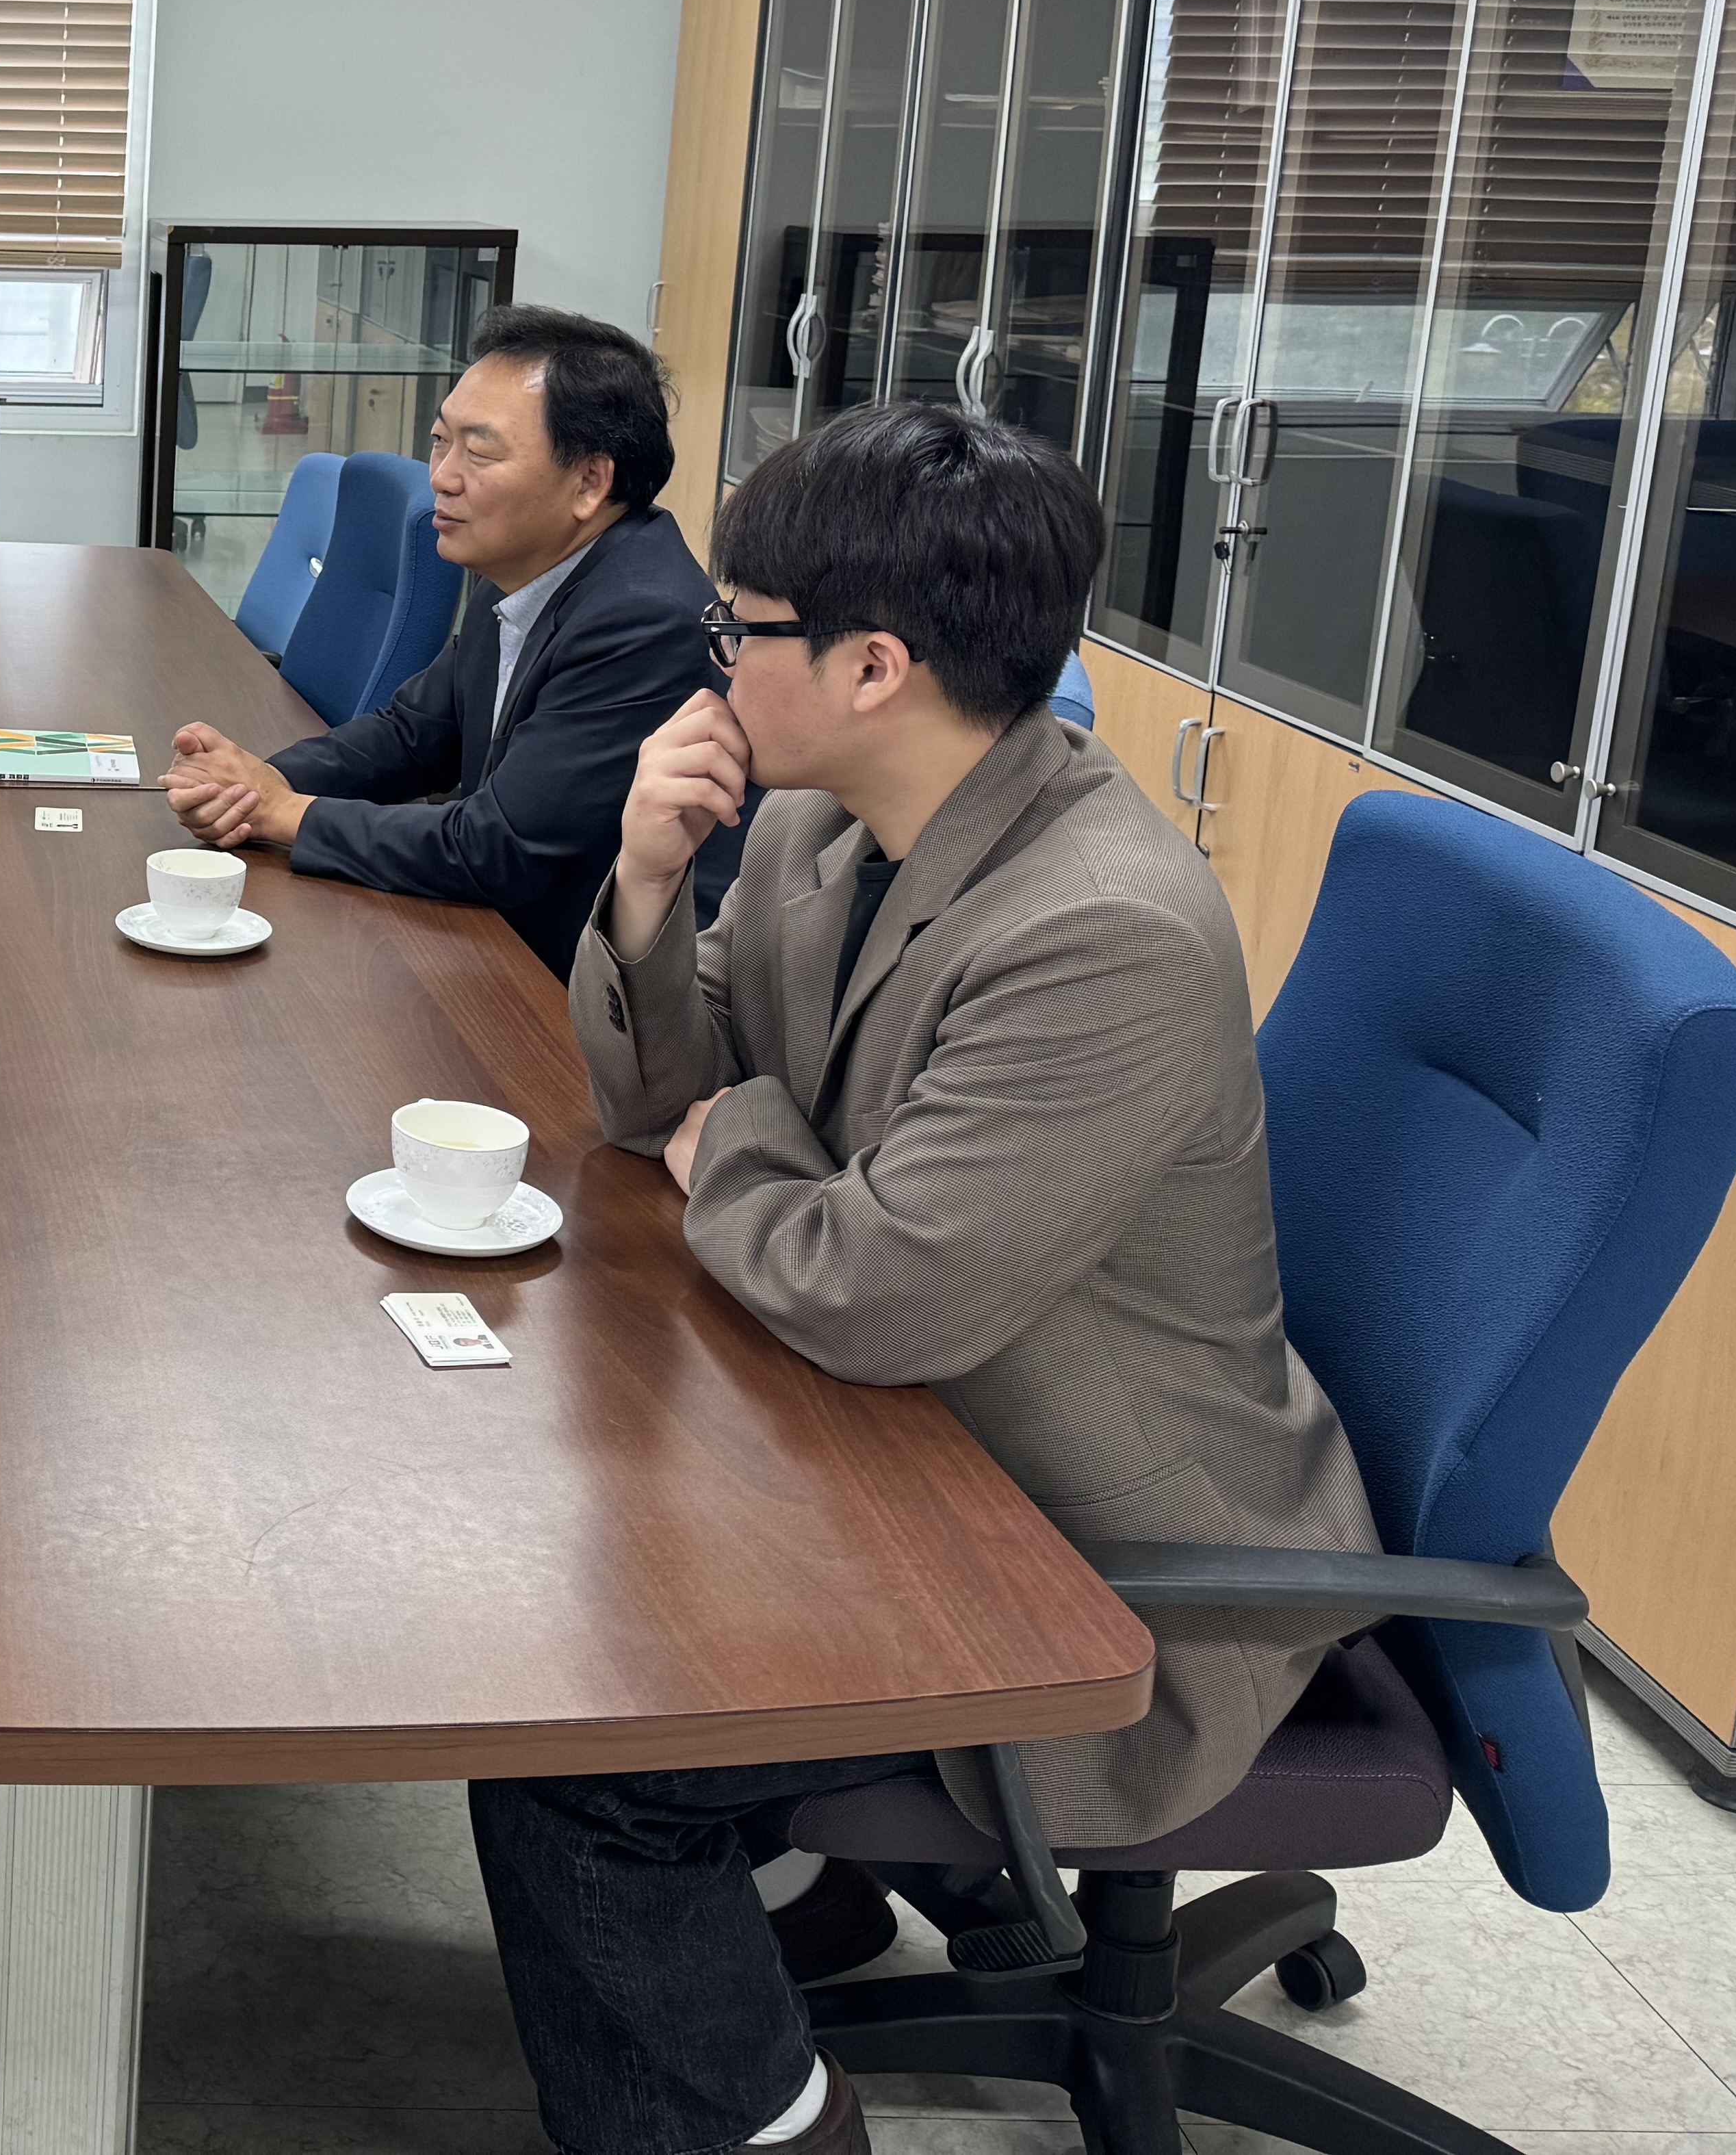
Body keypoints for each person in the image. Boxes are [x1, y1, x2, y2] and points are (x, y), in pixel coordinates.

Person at [468, 400, 1381, 2155]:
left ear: (875, 666)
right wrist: (646, 884)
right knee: (587, 1553)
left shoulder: (1098, 932)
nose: (711, 658)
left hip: (1103, 1574)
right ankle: (786, 1903)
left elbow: (878, 1292)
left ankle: (758, 2122)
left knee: (584, 1749)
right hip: (912, 1458)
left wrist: (738, 1142)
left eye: (739, 628)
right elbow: (662, 1100)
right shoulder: (824, 823)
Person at [163, 305, 738, 970]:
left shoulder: (644, 619)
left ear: (589, 482)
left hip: (581, 988)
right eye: (441, 441)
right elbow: (416, 734)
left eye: (480, 451)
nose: (441, 476)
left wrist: (281, 813)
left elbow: (500, 849)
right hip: (497, 941)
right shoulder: (525, 565)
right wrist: (257, 783)